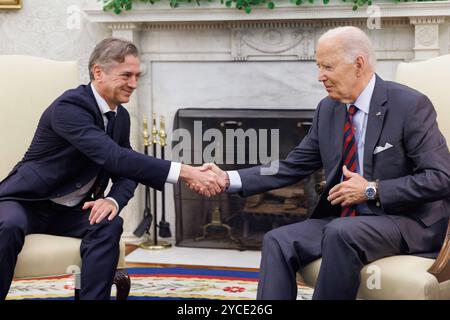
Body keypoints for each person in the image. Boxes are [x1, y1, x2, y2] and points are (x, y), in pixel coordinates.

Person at [193, 26, 450, 299]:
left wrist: (372, 189)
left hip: (407, 221)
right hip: (349, 222)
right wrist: (228, 178)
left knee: (341, 231)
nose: (320, 77)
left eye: (328, 66)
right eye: (319, 66)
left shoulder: (409, 105)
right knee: (278, 240)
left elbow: (441, 177)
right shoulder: (328, 109)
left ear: (358, 64)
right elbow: (292, 165)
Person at [0, 38, 224, 300]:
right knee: (7, 225)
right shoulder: (69, 107)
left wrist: (112, 200)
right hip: (26, 201)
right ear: (98, 72)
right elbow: (113, 156)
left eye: (136, 76)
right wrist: (185, 171)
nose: (134, 84)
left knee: (108, 224)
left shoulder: (119, 116)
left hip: (72, 211)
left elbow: (126, 169)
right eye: (126, 75)